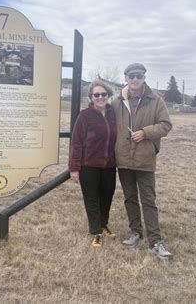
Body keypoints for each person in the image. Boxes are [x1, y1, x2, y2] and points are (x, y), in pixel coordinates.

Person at [112, 63, 173, 259]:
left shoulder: (156, 100)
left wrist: (146, 133)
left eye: (139, 76)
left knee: (148, 200)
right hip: (123, 158)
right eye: (132, 76)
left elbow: (165, 125)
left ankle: (155, 241)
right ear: (126, 79)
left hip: (145, 158)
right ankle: (135, 232)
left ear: (144, 78)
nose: (135, 79)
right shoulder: (117, 102)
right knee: (130, 198)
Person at [69, 80, 118, 248]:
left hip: (110, 165)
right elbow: (76, 143)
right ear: (91, 97)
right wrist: (74, 168)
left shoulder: (113, 114)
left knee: (107, 196)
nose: (100, 97)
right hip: (89, 165)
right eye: (96, 94)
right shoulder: (85, 116)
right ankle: (96, 231)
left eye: (103, 94)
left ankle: (104, 224)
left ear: (108, 95)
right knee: (92, 198)